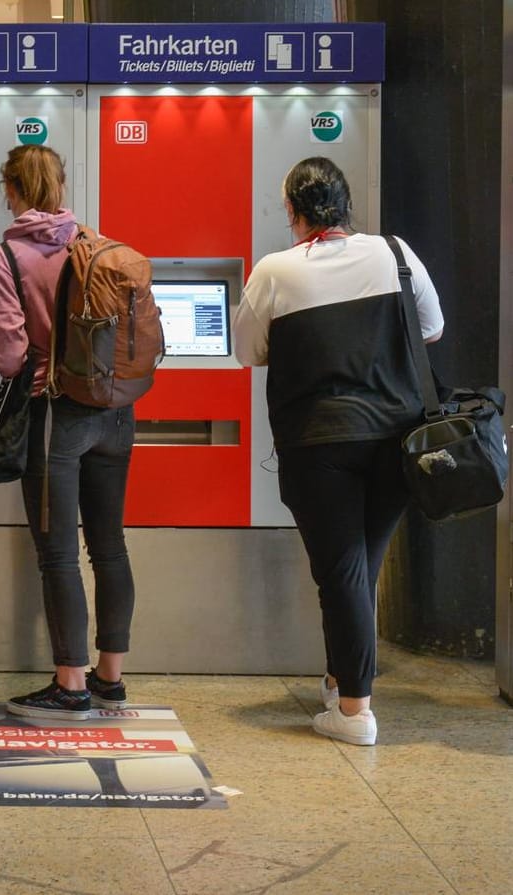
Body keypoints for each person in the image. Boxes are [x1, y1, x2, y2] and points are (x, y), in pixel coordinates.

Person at [234, 157, 443, 747]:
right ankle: (339, 678)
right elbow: (431, 327)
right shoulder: (396, 253)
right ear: (346, 204)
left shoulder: (276, 270)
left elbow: (248, 350)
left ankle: (354, 710)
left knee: (343, 571)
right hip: (398, 441)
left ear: (294, 212)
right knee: (358, 568)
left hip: (319, 441)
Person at [0, 144, 135, 721]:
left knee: (59, 555)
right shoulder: (94, 241)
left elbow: (12, 353)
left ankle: (69, 684)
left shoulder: (6, 258)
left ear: (11, 189)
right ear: (62, 187)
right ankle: (110, 679)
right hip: (116, 411)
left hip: (57, 415)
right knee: (110, 545)